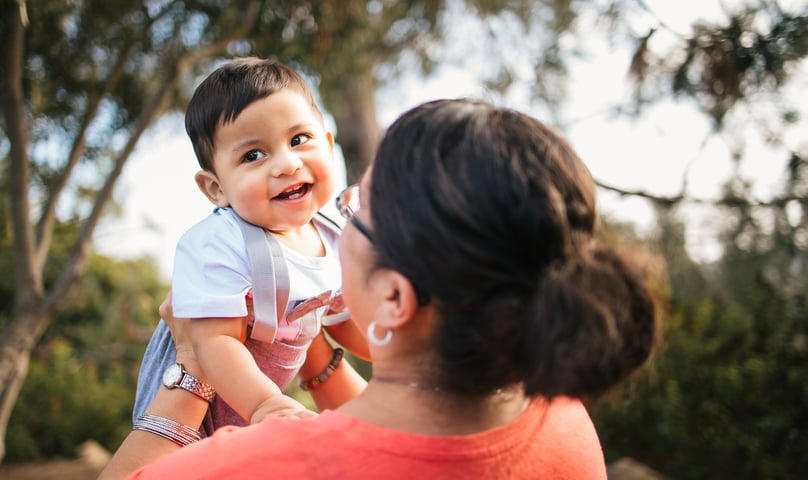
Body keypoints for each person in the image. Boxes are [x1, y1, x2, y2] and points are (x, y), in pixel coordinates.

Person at [101, 98, 664, 479]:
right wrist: (316, 354)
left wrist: (195, 365)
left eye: (354, 209)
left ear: (394, 298)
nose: (334, 223)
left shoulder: (265, 466)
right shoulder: (560, 414)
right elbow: (391, 433)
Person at [132, 57, 369, 436]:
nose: (287, 165)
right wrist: (266, 404)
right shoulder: (220, 242)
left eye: (298, 139)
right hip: (193, 417)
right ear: (216, 188)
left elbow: (343, 322)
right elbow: (215, 342)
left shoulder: (335, 235)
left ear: (327, 143)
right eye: (253, 155)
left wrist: (402, 353)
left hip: (249, 421)